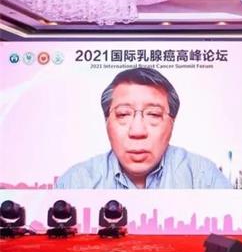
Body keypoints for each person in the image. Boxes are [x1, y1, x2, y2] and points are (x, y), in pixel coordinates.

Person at [56, 68, 231, 189]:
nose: (137, 131)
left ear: (172, 123)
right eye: (123, 114)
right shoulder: (76, 182)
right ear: (106, 121)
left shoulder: (203, 177)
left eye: (153, 114)